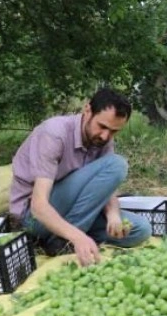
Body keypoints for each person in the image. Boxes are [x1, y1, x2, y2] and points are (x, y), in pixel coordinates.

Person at [9, 88, 152, 266]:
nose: (106, 135)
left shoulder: (102, 139)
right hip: (33, 218)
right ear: (87, 110)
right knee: (117, 164)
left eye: (114, 131)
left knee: (140, 229)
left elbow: (105, 186)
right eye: (102, 126)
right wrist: (77, 236)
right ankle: (66, 241)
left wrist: (113, 215)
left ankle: (62, 237)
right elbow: (38, 206)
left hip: (71, 212)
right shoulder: (54, 133)